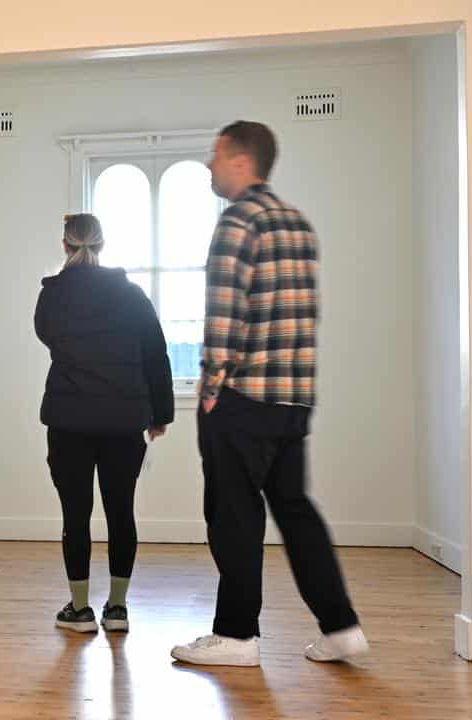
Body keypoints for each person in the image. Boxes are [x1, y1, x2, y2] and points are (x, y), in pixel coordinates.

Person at [171, 121, 368, 666]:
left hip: (243, 400)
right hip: (294, 399)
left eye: (215, 155)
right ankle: (341, 626)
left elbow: (226, 314)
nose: (209, 166)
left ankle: (235, 637)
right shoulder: (298, 223)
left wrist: (210, 390)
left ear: (240, 160)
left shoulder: (238, 221)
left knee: (233, 515)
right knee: (295, 510)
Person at [34, 212, 174, 634]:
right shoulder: (131, 295)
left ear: (65, 245)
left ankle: (79, 611)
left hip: (69, 421)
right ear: (102, 244)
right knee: (121, 512)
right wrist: (160, 414)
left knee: (75, 515)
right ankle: (117, 609)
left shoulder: (52, 296)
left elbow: (47, 337)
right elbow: (156, 353)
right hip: (123, 421)